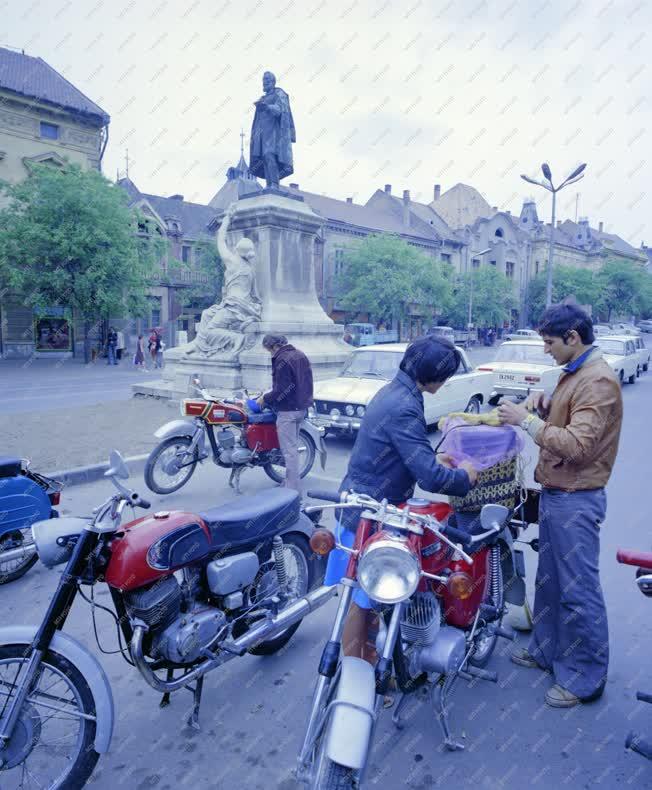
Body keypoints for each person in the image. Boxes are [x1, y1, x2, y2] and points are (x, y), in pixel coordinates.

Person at [497, 303, 623, 708]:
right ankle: (547, 651)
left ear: (573, 337)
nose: (546, 350)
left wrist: (526, 421)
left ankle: (586, 678)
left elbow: (579, 446)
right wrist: (549, 403)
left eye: (549, 342)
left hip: (576, 500)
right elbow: (570, 420)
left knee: (577, 590)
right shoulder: (577, 373)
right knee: (549, 582)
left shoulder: (598, 381)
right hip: (557, 495)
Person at [324, 335, 478, 664]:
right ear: (437, 376)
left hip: (360, 500)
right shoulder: (406, 407)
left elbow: (405, 453)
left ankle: (368, 659)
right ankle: (357, 673)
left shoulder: (396, 391)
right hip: (370, 510)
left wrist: (433, 459)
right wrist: (465, 476)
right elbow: (430, 478)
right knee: (362, 600)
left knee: (368, 597)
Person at [257, 334, 313, 492]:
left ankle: (292, 489)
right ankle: (290, 481)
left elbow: (282, 390)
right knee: (292, 449)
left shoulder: (281, 358)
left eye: (269, 350)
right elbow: (303, 382)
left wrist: (265, 398)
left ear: (274, 346)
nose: (270, 354)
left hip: (288, 411)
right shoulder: (300, 354)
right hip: (301, 408)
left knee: (289, 452)